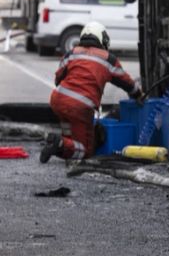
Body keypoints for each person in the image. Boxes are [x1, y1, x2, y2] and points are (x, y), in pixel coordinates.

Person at [41, 22, 143, 163]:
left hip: (58, 100)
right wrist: (137, 95)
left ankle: (60, 145)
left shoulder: (72, 53)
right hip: (80, 106)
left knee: (70, 135)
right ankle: (60, 144)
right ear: (102, 39)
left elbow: (58, 78)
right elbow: (126, 82)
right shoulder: (108, 59)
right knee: (86, 151)